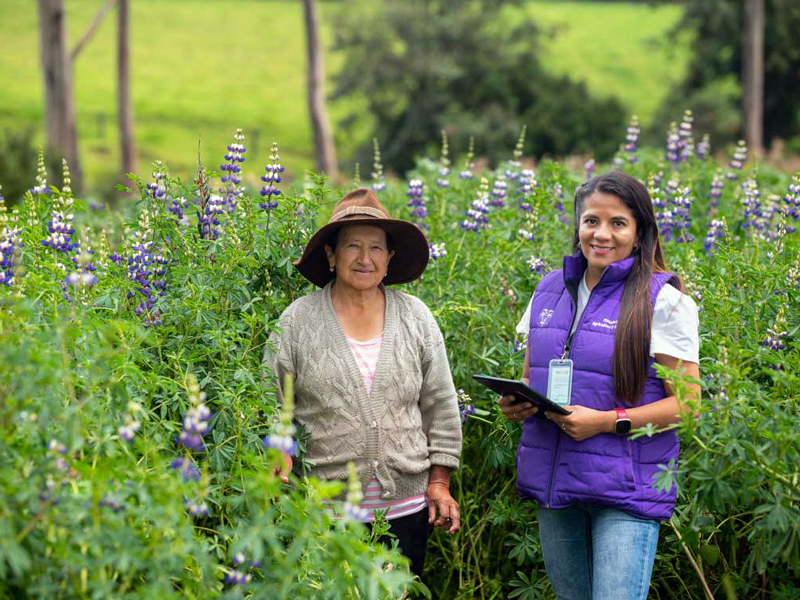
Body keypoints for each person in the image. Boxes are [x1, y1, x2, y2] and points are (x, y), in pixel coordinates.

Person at [499, 171, 700, 599]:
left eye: (618, 223)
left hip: (624, 491)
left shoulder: (663, 300)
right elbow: (530, 375)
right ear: (578, 225)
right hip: (556, 485)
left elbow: (688, 405)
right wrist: (516, 403)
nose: (602, 234)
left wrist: (608, 422)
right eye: (591, 220)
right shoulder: (549, 290)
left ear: (640, 231)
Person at [264, 188, 462, 578]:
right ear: (331, 255)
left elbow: (440, 404)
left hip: (405, 509)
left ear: (390, 258)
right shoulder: (297, 321)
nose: (364, 258)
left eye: (376, 247)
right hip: (324, 507)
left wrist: (439, 481)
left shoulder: (416, 318)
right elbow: (271, 399)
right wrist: (277, 452)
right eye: (352, 246)